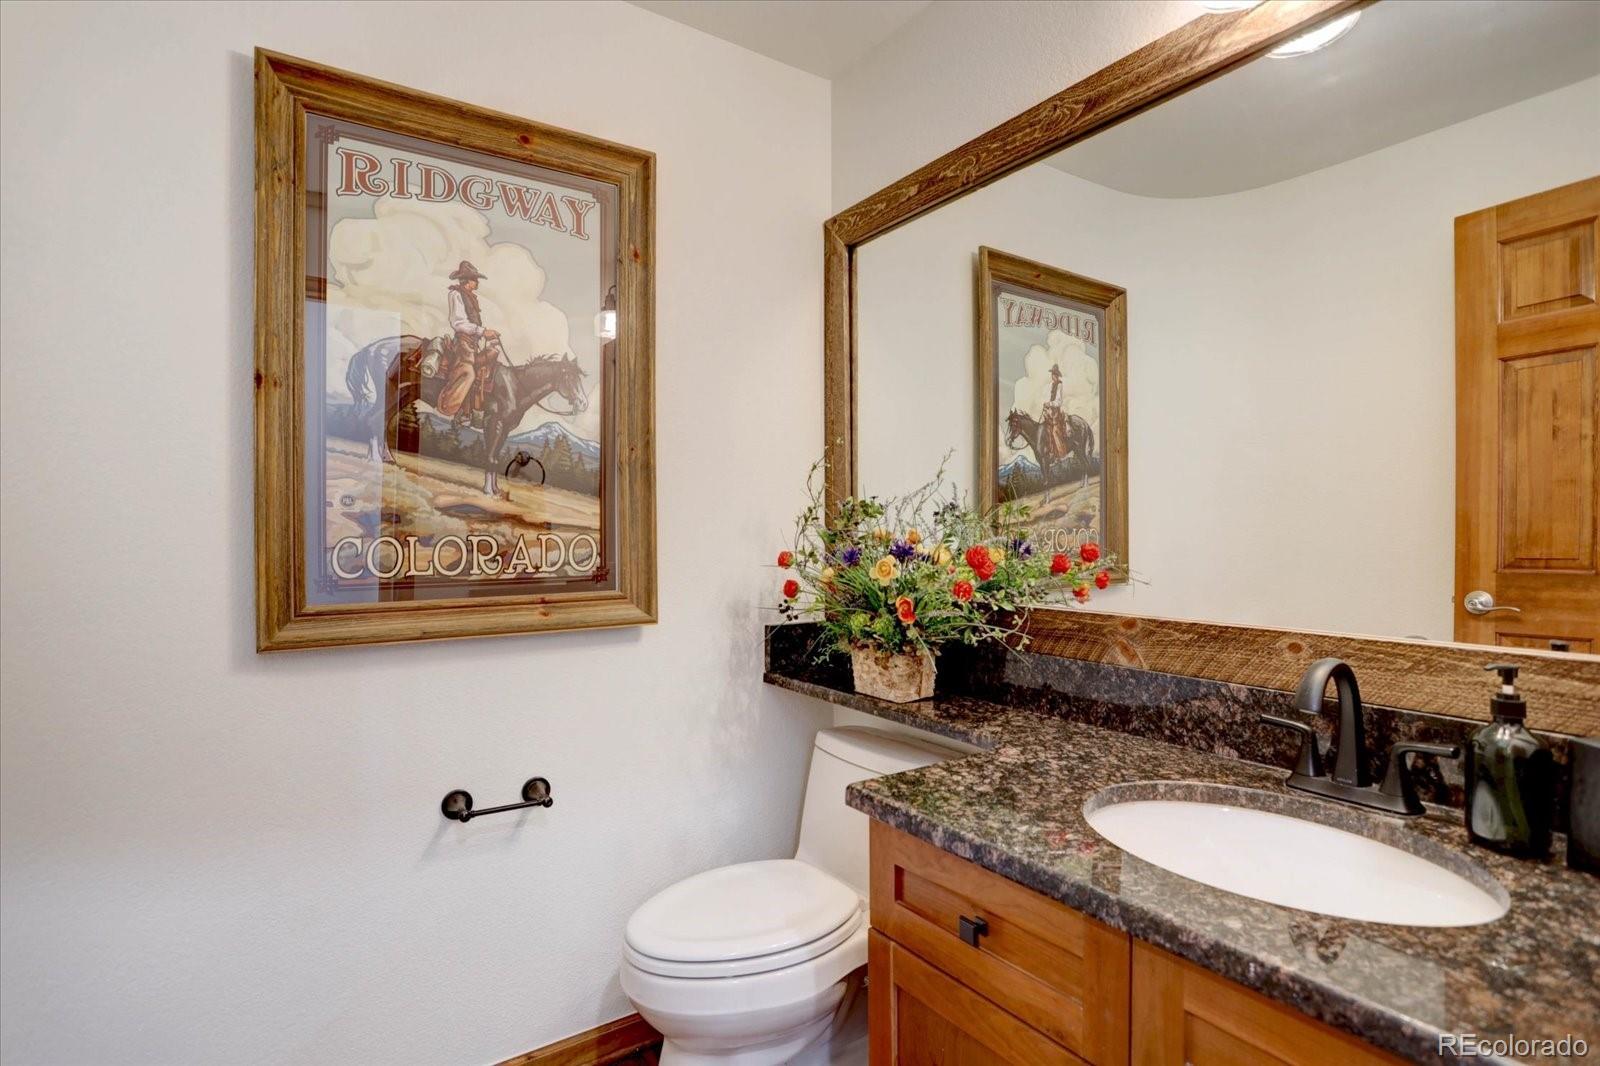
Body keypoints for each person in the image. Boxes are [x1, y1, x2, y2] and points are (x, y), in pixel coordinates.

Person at [436, 261, 500, 425]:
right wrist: (483, 331)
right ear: (467, 280)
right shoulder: (456, 294)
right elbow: (458, 323)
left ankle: (471, 412)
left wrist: (486, 335)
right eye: (474, 279)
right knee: (468, 373)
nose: (477, 282)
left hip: (472, 344)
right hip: (463, 344)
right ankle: (450, 407)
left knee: (490, 358)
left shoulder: (470, 297)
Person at [1041, 363, 1070, 462]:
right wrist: (1046, 405)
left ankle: (1061, 455)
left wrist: (1049, 404)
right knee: (1045, 428)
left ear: (1057, 375)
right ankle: (1050, 452)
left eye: (1054, 374)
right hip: (1051, 411)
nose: (1053, 376)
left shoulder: (1059, 385)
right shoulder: (1051, 385)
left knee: (1055, 431)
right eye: (1052, 374)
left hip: (1056, 411)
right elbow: (1049, 398)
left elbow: (1059, 401)